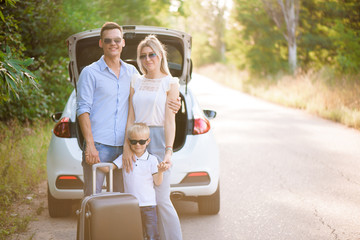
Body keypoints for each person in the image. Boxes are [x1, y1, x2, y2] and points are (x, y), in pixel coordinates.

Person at [76, 22, 181, 196]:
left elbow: (149, 96)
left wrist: (174, 104)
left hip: (128, 147)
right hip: (99, 146)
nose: (113, 44)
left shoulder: (132, 74)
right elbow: (82, 110)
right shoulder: (90, 73)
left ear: (123, 43)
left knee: (123, 200)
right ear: (101, 43)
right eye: (108, 40)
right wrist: (90, 145)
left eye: (117, 40)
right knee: (92, 197)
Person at [123, 35, 182, 240]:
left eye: (152, 54)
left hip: (157, 142)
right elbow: (131, 115)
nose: (148, 59)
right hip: (136, 142)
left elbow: (169, 120)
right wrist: (126, 147)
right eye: (143, 55)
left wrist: (168, 151)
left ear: (160, 55)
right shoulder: (136, 81)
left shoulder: (170, 82)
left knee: (162, 199)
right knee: (139, 199)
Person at [100, 123, 167, 240]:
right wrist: (93, 161)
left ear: (148, 141)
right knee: (134, 233)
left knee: (152, 235)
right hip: (131, 204)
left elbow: (158, 182)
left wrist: (160, 171)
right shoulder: (125, 158)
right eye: (133, 141)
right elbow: (108, 168)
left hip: (148, 205)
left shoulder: (152, 160)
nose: (137, 145)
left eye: (141, 142)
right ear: (128, 141)